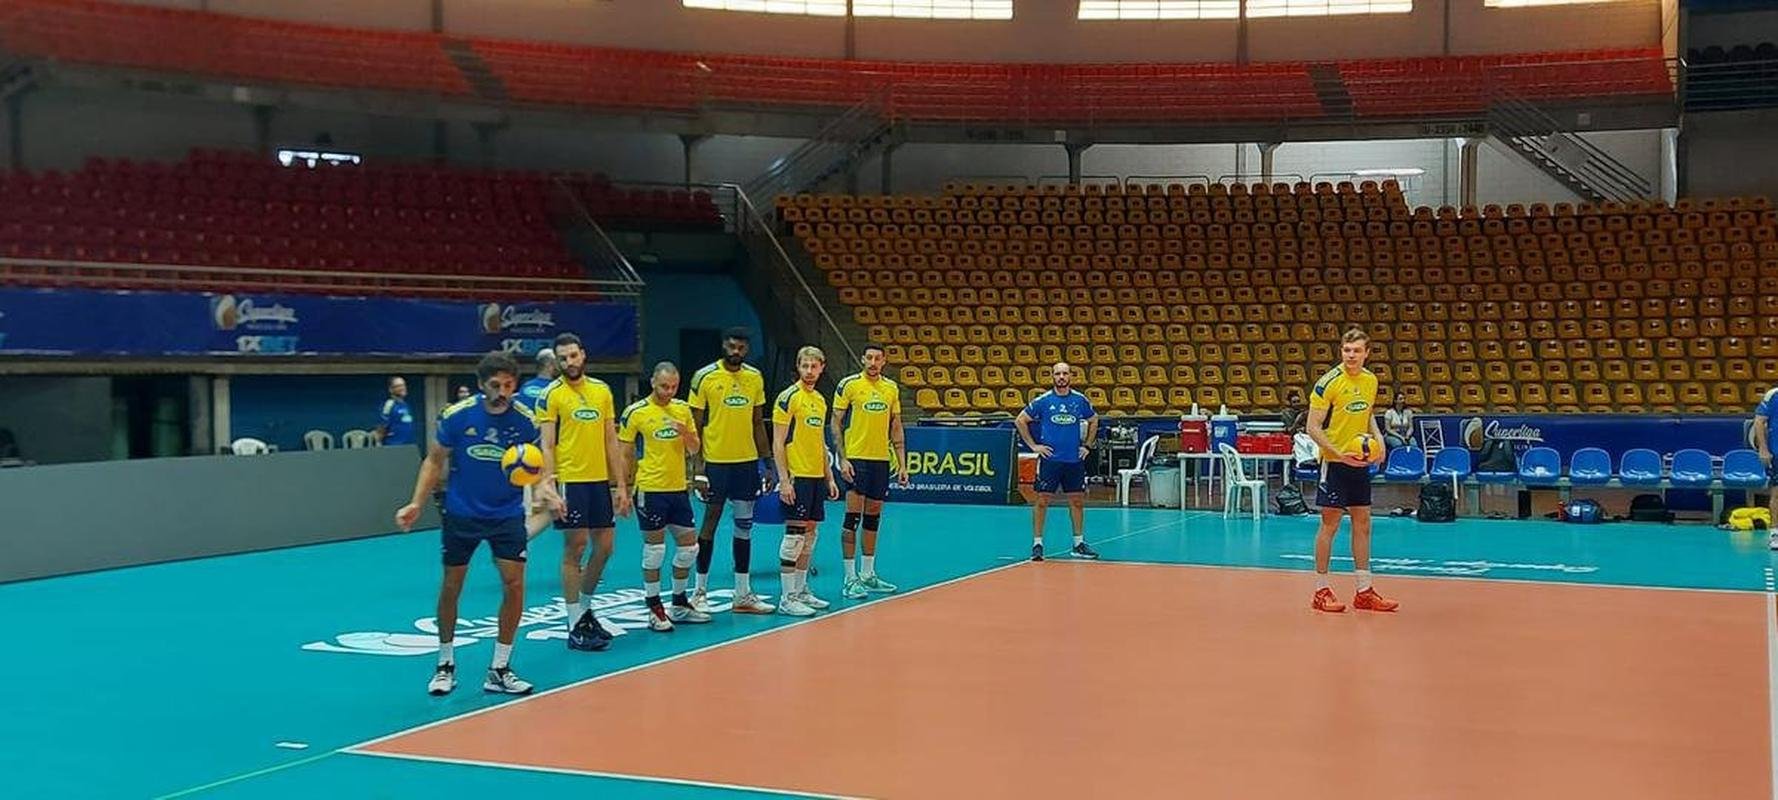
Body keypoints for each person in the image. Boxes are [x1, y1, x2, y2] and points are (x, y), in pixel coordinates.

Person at [396, 352, 557, 696]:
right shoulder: (457, 416)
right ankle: (445, 664)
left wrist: (547, 488)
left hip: (507, 514)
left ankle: (499, 668)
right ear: (482, 384)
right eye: (496, 385)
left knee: (514, 585)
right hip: (462, 513)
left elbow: (538, 465)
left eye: (510, 384)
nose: (503, 391)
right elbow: (434, 460)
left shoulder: (525, 420)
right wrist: (416, 503)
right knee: (452, 586)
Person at [536, 332, 631, 652]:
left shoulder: (602, 391)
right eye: (563, 358)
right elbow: (546, 444)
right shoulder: (551, 395)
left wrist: (620, 485)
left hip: (598, 482)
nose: (569, 362)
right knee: (575, 548)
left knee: (605, 548)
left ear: (583, 355)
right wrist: (549, 483)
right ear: (557, 361)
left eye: (573, 356)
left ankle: (585, 611)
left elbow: (610, 441)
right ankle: (573, 622)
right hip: (570, 480)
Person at [1305, 328, 1397, 614]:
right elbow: (1312, 427)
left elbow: (1366, 414)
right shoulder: (1328, 383)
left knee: (1364, 522)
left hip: (1359, 461)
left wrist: (1379, 440)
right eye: (1347, 350)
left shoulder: (1370, 381)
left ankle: (1364, 590)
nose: (1351, 355)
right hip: (1334, 463)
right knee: (1330, 524)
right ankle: (1321, 591)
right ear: (1341, 351)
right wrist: (1336, 453)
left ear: (1367, 353)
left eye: (1357, 351)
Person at [687, 328, 775, 614]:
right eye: (731, 346)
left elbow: (757, 423)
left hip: (747, 463)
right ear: (724, 345)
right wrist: (697, 469)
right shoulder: (704, 377)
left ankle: (742, 594)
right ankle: (699, 591)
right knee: (710, 522)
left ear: (746, 350)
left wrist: (768, 463)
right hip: (715, 464)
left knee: (744, 526)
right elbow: (694, 427)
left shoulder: (754, 377)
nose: (735, 351)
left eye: (741, 347)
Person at [619, 362, 712, 631]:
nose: (669, 391)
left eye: (673, 386)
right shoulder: (636, 412)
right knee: (655, 551)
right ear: (652, 383)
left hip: (677, 489)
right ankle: (653, 606)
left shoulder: (682, 409)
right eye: (663, 386)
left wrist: (684, 432)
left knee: (689, 549)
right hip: (650, 489)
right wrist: (624, 489)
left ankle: (680, 603)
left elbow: (694, 448)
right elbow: (625, 453)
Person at [831, 344, 909, 600]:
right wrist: (842, 458)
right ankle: (849, 578)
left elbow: (896, 425)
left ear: (884, 361)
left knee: (874, 516)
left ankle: (867, 573)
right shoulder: (849, 385)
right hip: (856, 459)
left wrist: (902, 463)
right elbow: (836, 422)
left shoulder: (890, 388)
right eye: (869, 358)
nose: (873, 362)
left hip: (880, 461)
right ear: (862, 359)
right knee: (852, 517)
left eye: (878, 358)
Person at [772, 346, 839, 617]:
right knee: (794, 537)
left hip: (815, 477)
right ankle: (786, 598)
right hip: (797, 476)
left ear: (822, 367)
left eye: (814, 366)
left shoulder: (821, 400)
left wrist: (829, 477)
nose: (809, 371)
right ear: (798, 367)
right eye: (805, 366)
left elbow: (820, 443)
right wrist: (784, 480)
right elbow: (778, 442)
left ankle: (801, 590)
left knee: (810, 536)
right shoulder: (788, 398)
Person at [1015, 362, 1099, 562]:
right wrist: (1034, 446)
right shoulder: (1044, 401)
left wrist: (1087, 446)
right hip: (1050, 460)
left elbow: (1094, 419)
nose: (1061, 377)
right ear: (1052, 377)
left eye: (1065, 373)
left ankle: (1078, 544)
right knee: (1042, 501)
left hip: (1073, 460)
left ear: (1071, 376)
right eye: (1057, 374)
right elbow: (1020, 420)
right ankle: (1037, 544)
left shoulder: (1079, 400)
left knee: (1077, 502)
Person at [1753, 386, 1778, 549]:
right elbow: (1759, 420)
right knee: (1777, 494)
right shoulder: (1773, 395)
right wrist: (1763, 448)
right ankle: (1775, 534)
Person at [516, 347, 559, 414]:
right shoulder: (557, 388)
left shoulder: (525, 386)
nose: (559, 367)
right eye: (557, 362)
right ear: (548, 363)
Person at [377, 377, 416, 447]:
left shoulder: (406, 405)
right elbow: (382, 427)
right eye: (398, 386)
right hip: (393, 447)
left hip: (408, 446)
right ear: (391, 390)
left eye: (403, 385)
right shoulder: (389, 405)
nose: (402, 388)